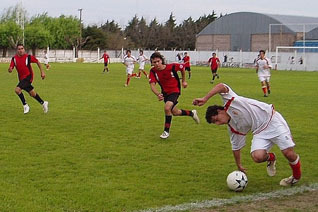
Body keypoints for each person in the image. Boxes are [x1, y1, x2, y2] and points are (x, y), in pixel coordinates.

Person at [192, 83, 301, 186]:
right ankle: (271, 158)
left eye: (216, 120)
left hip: (272, 120)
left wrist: (205, 98)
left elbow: (221, 86)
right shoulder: (233, 128)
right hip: (259, 131)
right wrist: (239, 165)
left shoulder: (231, 102)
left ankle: (295, 177)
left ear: (220, 111)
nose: (218, 123)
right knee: (257, 157)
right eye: (215, 123)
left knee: (288, 153)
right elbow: (236, 148)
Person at [149, 52, 200, 139]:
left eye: (158, 61)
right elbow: (152, 85)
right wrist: (158, 94)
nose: (157, 64)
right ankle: (191, 113)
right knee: (175, 112)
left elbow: (182, 68)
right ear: (152, 63)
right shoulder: (153, 71)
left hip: (175, 90)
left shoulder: (171, 66)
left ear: (162, 60)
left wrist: (183, 81)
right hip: (165, 93)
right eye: (154, 62)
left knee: (167, 108)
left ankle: (166, 131)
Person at [8, 44, 49, 114]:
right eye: (19, 49)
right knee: (32, 93)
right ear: (17, 50)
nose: (20, 50)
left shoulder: (28, 57)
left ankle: (25, 105)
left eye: (22, 49)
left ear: (24, 49)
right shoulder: (14, 59)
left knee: (17, 90)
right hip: (21, 79)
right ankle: (43, 103)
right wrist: (10, 69)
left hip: (28, 77)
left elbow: (37, 62)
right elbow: (11, 68)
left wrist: (42, 72)